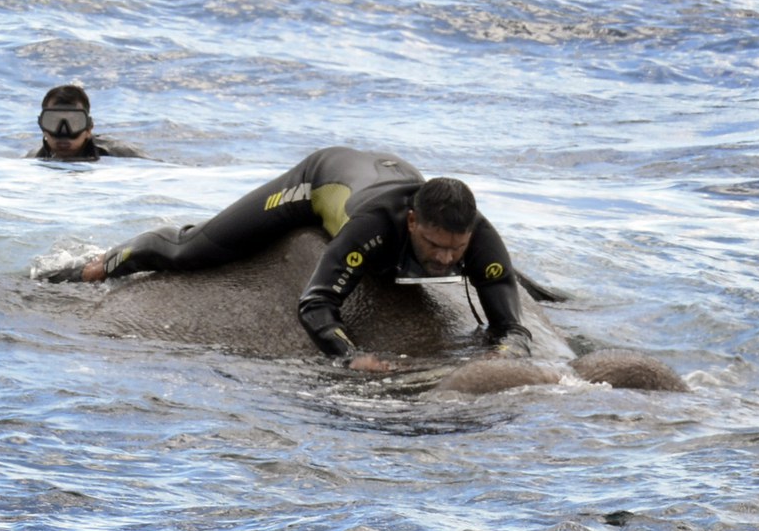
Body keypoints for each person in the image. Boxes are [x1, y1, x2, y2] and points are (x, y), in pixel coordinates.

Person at [41, 146, 532, 371]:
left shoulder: (476, 236)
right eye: (434, 246)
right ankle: (103, 261)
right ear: (410, 223)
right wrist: (350, 356)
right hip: (323, 179)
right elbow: (315, 305)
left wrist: (507, 355)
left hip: (393, 170)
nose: (446, 260)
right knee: (190, 252)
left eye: (456, 250)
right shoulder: (373, 227)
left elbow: (511, 325)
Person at [29, 84, 144, 161]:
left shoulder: (121, 154)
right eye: (54, 122)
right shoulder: (32, 159)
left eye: (74, 123)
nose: (63, 133)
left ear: (89, 129)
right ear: (43, 128)